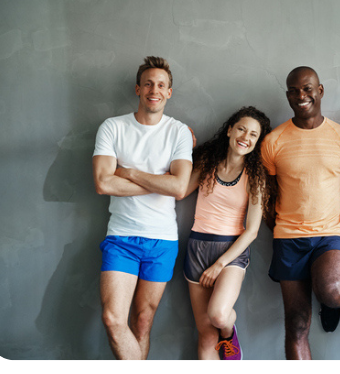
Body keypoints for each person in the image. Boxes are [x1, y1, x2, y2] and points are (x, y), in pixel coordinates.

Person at [92, 56, 194, 359]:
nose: (155, 89)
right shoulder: (112, 127)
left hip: (162, 240)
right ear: (138, 88)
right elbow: (102, 184)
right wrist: (159, 181)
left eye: (161, 85)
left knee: (143, 322)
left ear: (169, 93)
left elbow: (178, 189)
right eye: (148, 83)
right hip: (121, 238)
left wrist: (130, 172)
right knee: (113, 319)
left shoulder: (178, 132)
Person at [261, 66, 340, 359]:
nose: (300, 95)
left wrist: (339, 237)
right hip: (288, 238)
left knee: (331, 291)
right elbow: (266, 198)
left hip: (329, 235)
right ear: (288, 95)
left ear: (320, 90)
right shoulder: (273, 142)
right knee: (296, 323)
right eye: (293, 90)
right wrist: (280, 230)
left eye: (307, 88)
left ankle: (330, 304)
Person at [181, 106, 272, 360]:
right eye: (242, 129)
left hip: (231, 251)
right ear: (230, 130)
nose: (246, 137)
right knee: (206, 334)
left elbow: (252, 231)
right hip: (197, 246)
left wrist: (220, 264)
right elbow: (179, 190)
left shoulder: (256, 176)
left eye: (254, 134)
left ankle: (229, 333)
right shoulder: (207, 161)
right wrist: (179, 144)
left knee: (219, 315)